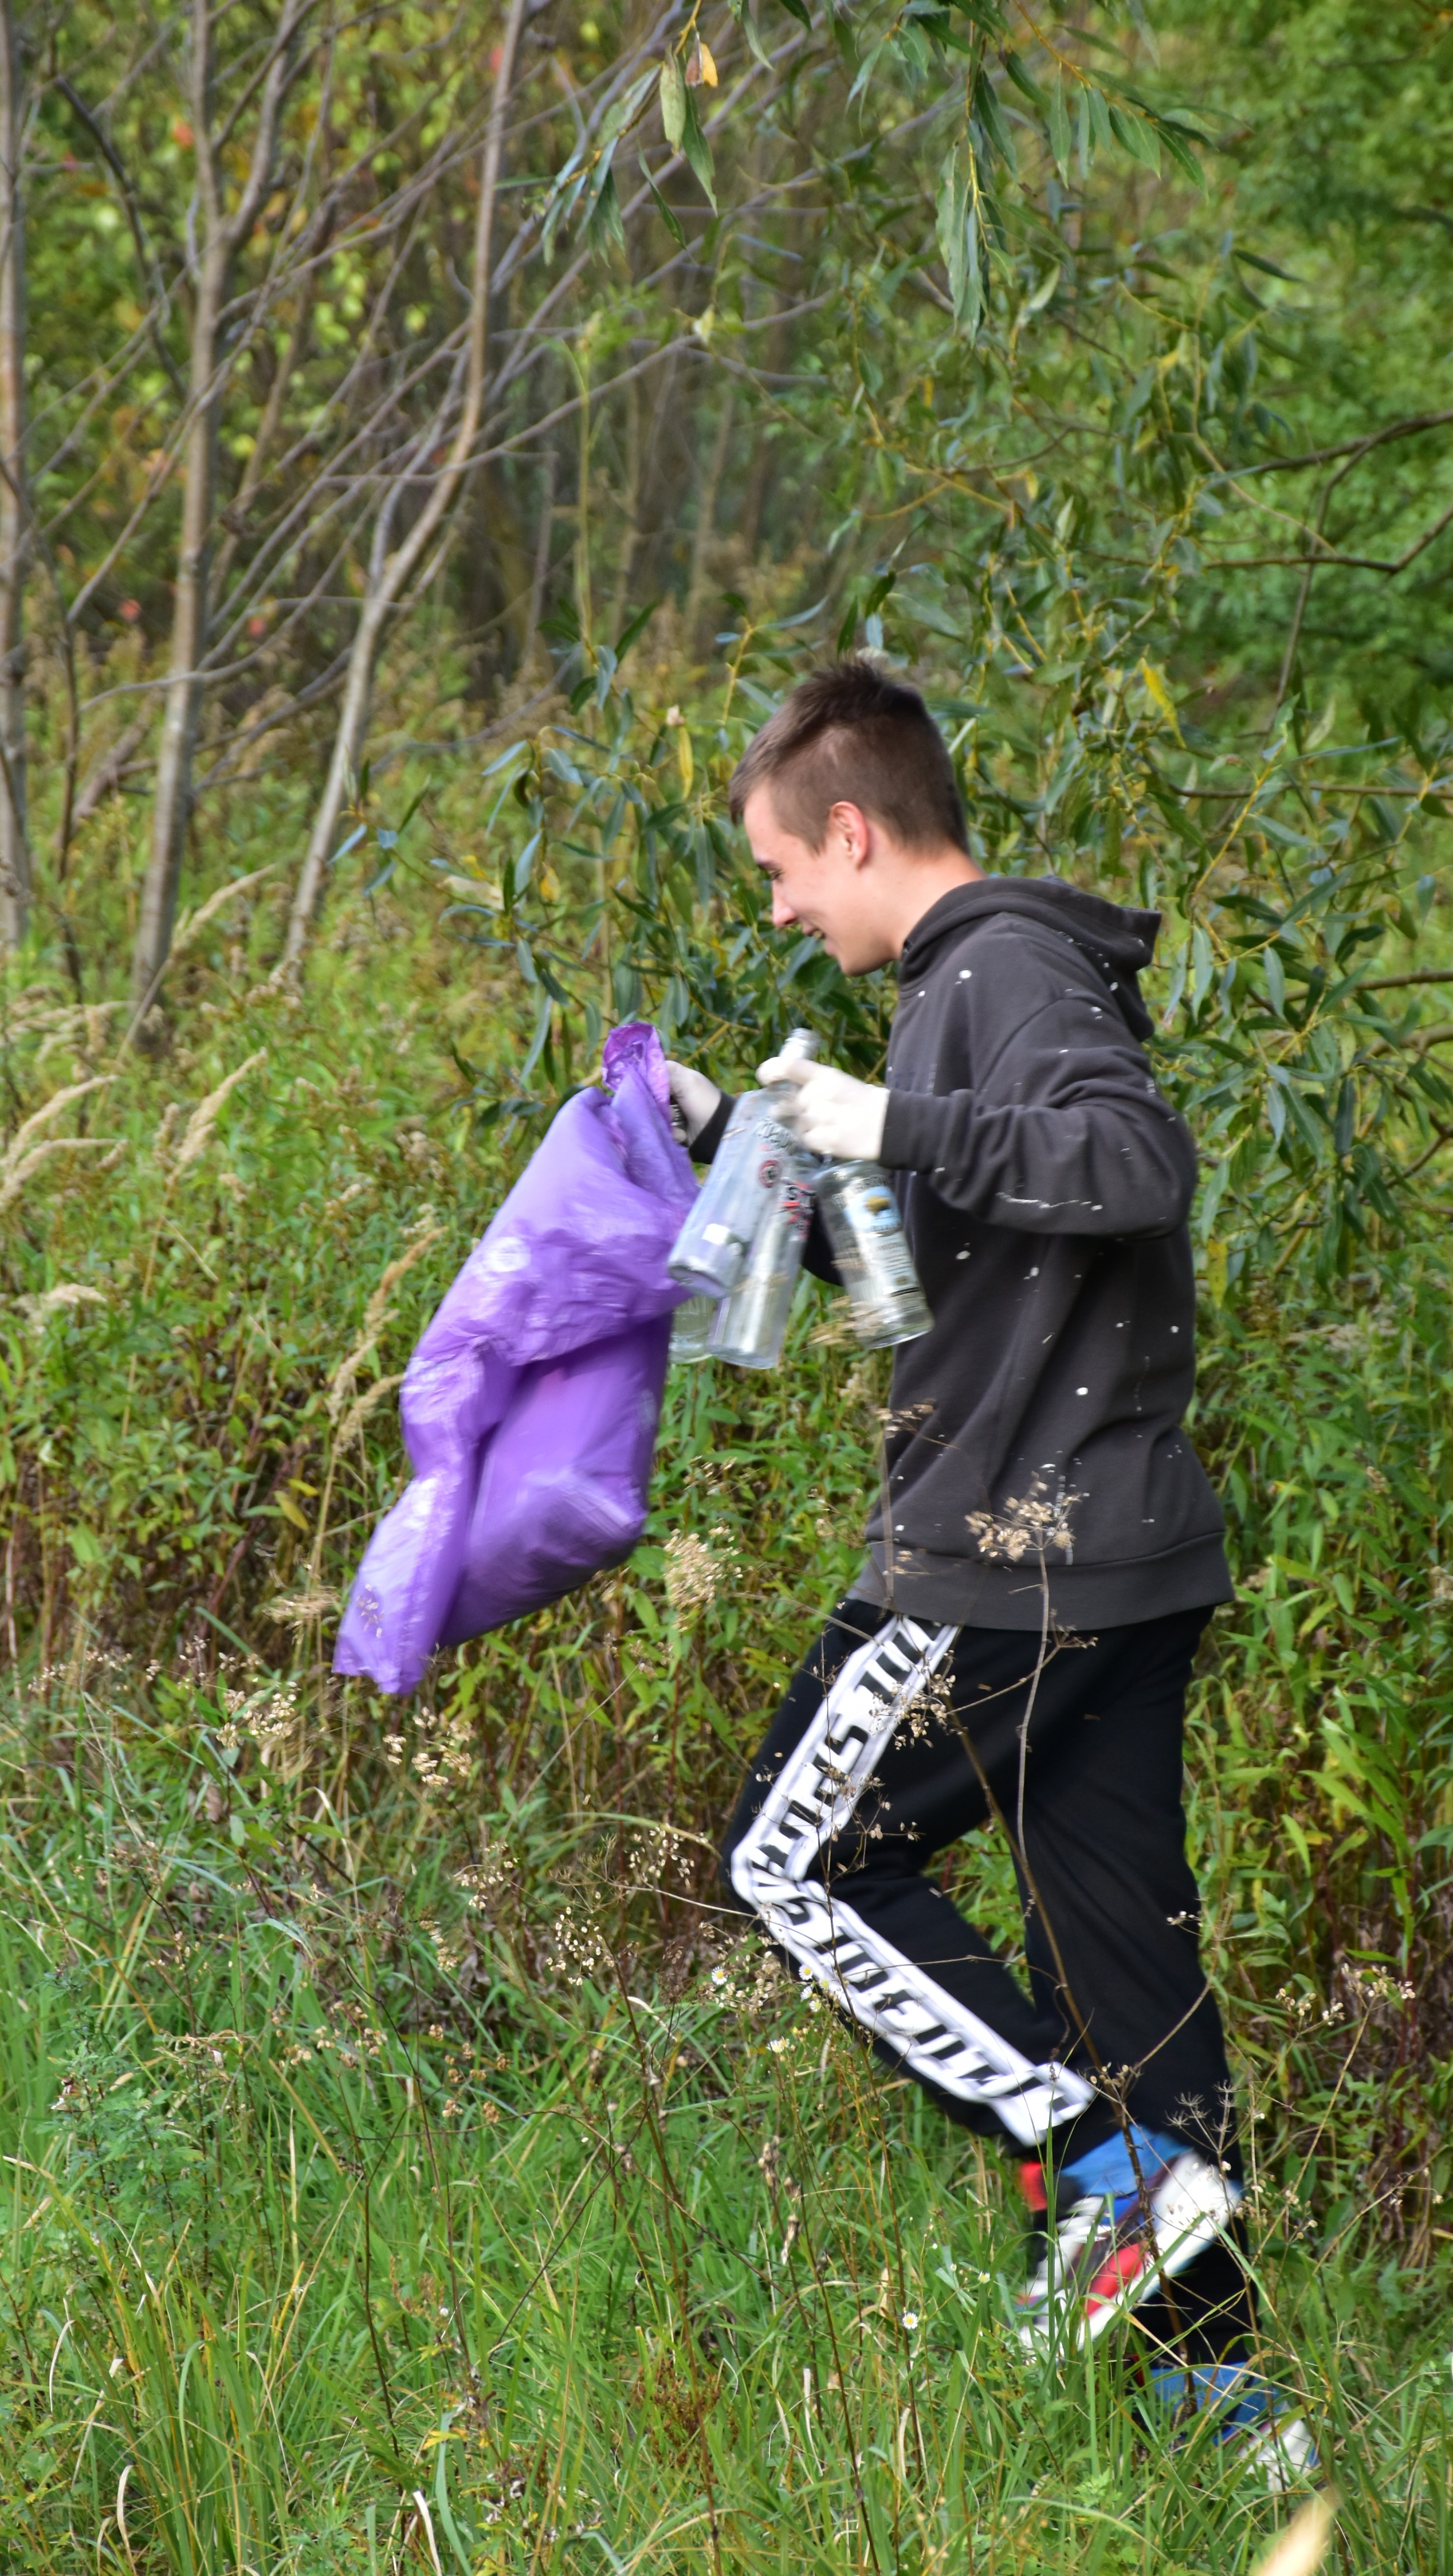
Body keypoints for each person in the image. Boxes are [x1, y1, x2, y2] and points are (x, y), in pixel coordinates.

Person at [665, 658, 1310, 2477]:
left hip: (1011, 1557)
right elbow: (959, 1235)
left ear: (854, 830)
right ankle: (1236, 2421)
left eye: (784, 869)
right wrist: (751, 1136)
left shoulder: (1006, 971)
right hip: (1111, 1558)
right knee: (1129, 1986)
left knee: (790, 1860)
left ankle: (1111, 2184)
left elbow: (1129, 1160)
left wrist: (897, 1119)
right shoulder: (974, 985)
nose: (782, 904)